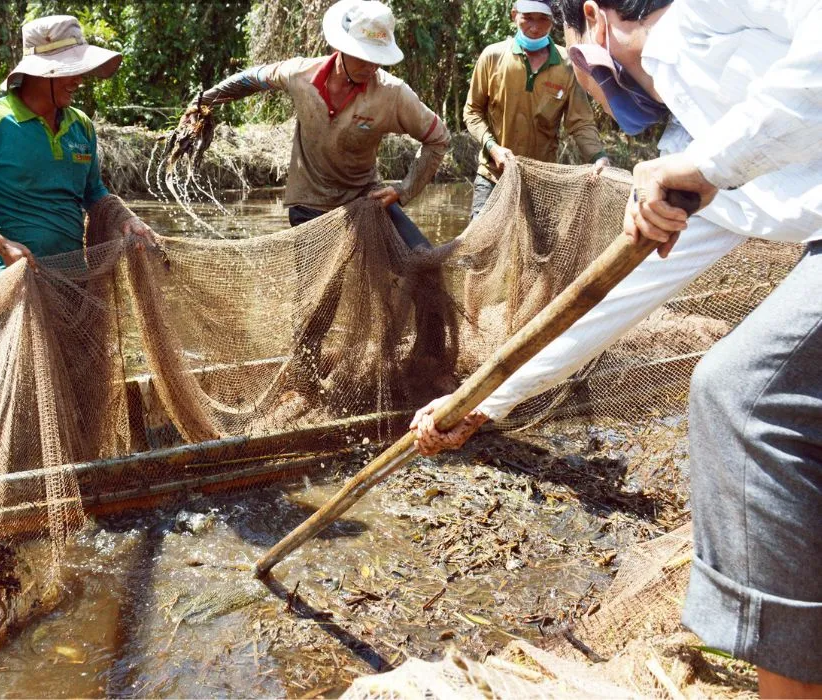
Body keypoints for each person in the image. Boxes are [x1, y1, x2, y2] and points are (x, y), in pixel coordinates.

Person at [412, 0, 821, 695]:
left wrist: (708, 163)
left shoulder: (700, 17)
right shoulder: (690, 147)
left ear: (594, 22)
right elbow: (605, 303)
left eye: (576, 56)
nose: (589, 89)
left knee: (740, 395)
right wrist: (483, 400)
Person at [181, 0, 450, 250]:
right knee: (320, 294)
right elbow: (251, 79)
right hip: (309, 204)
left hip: (366, 200)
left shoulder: (393, 94)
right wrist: (203, 102)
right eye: (363, 56)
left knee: (422, 259)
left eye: (377, 58)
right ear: (341, 48)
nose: (370, 66)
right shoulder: (299, 75)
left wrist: (403, 190)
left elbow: (438, 139)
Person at [0, 15, 155, 281]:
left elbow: (93, 192)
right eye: (69, 70)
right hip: (13, 280)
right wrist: (0, 244)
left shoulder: (80, 125)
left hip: (74, 281)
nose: (78, 80)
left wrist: (124, 218)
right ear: (39, 73)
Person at [464, 0, 609, 218]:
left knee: (541, 250)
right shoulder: (492, 56)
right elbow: (472, 112)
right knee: (479, 245)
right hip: (493, 175)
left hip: (542, 180)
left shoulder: (568, 65)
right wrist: (494, 148)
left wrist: (598, 157)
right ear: (514, 15)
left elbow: (580, 123)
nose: (535, 27)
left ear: (553, 21)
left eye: (543, 19)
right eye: (528, 18)